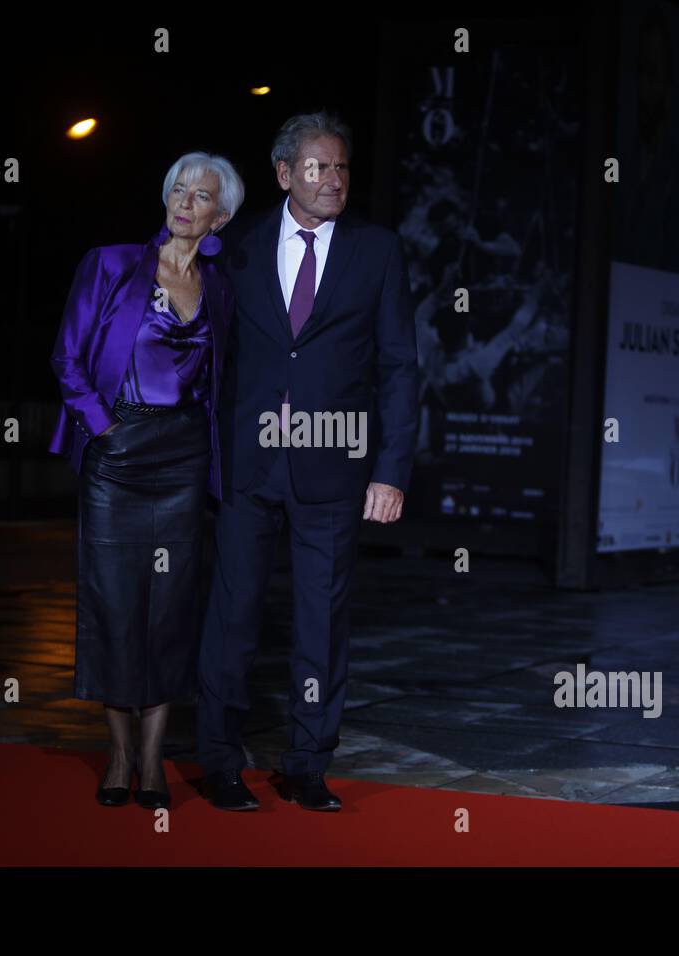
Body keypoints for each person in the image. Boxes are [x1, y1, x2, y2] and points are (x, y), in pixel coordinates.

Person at [197, 112, 420, 811]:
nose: (334, 179)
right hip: (247, 468)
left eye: (343, 167)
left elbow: (400, 368)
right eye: (319, 167)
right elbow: (211, 355)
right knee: (232, 617)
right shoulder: (238, 246)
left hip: (334, 473)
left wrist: (390, 470)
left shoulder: (377, 251)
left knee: (322, 623)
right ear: (286, 173)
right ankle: (219, 760)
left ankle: (306, 762)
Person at [47, 151, 243, 811]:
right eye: (178, 189)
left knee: (169, 608)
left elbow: (225, 381)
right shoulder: (110, 263)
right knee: (112, 602)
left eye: (202, 195)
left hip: (184, 459)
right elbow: (67, 356)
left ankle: (154, 762)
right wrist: (101, 426)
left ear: (221, 214)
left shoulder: (220, 286)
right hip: (118, 450)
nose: (186, 201)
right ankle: (118, 754)